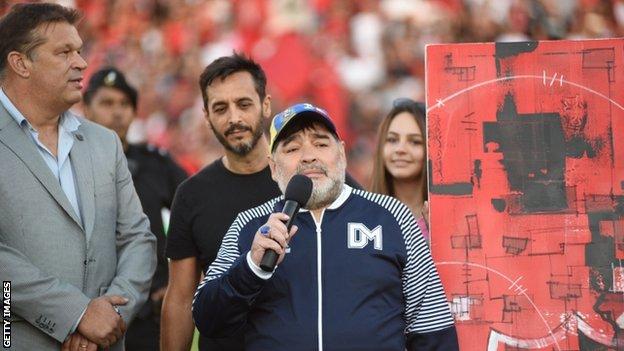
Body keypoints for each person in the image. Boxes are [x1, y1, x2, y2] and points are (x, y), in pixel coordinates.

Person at [192, 103, 459, 350]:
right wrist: (250, 268)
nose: (309, 156)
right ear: (273, 167)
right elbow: (207, 319)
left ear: (341, 153)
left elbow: (431, 327)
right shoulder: (249, 225)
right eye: (292, 148)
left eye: (320, 144)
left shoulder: (393, 216)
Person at [161, 53, 360, 351]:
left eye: (243, 104)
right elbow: (179, 297)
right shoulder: (191, 195)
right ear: (206, 116)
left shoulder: (319, 179)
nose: (234, 118)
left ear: (265, 105)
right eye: (220, 108)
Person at [0, 3, 156, 351]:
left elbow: (138, 238)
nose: (82, 63)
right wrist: (76, 313)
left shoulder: (105, 143)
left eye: (80, 51)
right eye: (64, 52)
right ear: (20, 63)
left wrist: (111, 315)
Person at [83, 67, 188, 351]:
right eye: (107, 103)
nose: (117, 112)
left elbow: (194, 210)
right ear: (86, 109)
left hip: (148, 311)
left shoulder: (156, 163)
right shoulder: (68, 161)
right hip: (88, 312)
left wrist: (180, 281)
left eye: (124, 105)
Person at [371, 98, 431, 240]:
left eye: (415, 141)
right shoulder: (362, 216)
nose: (400, 149)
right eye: (392, 140)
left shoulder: (448, 219)